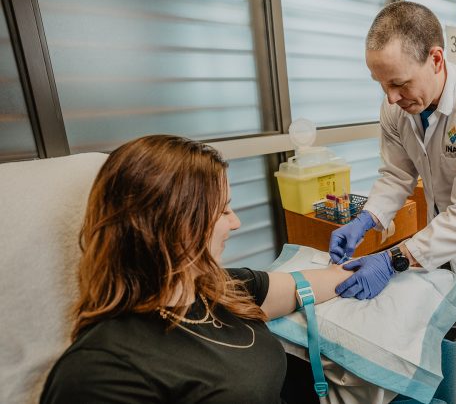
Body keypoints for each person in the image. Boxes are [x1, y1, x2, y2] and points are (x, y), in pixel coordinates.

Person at [40, 135, 353, 403]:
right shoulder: (100, 373)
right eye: (223, 211)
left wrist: (371, 266)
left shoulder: (214, 288)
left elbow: (302, 285)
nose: (236, 222)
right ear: (173, 224)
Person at [327, 1, 456, 403]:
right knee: (445, 329)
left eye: (399, 83)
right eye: (381, 84)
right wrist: (367, 218)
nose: (391, 97)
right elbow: (396, 174)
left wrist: (392, 259)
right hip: (439, 231)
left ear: (436, 59)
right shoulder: (396, 107)